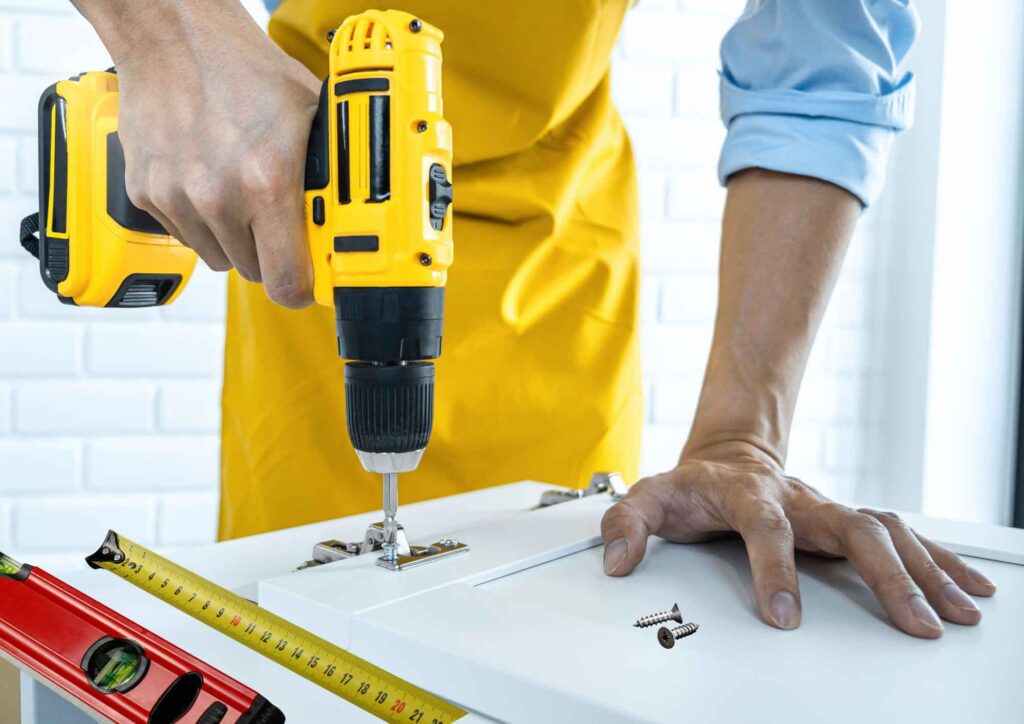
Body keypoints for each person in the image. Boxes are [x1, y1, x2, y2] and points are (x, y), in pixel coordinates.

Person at [72, 0, 995, 638]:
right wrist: (167, 34)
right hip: (308, 208)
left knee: (564, 613)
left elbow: (825, 66)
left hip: (559, 254)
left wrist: (741, 436)